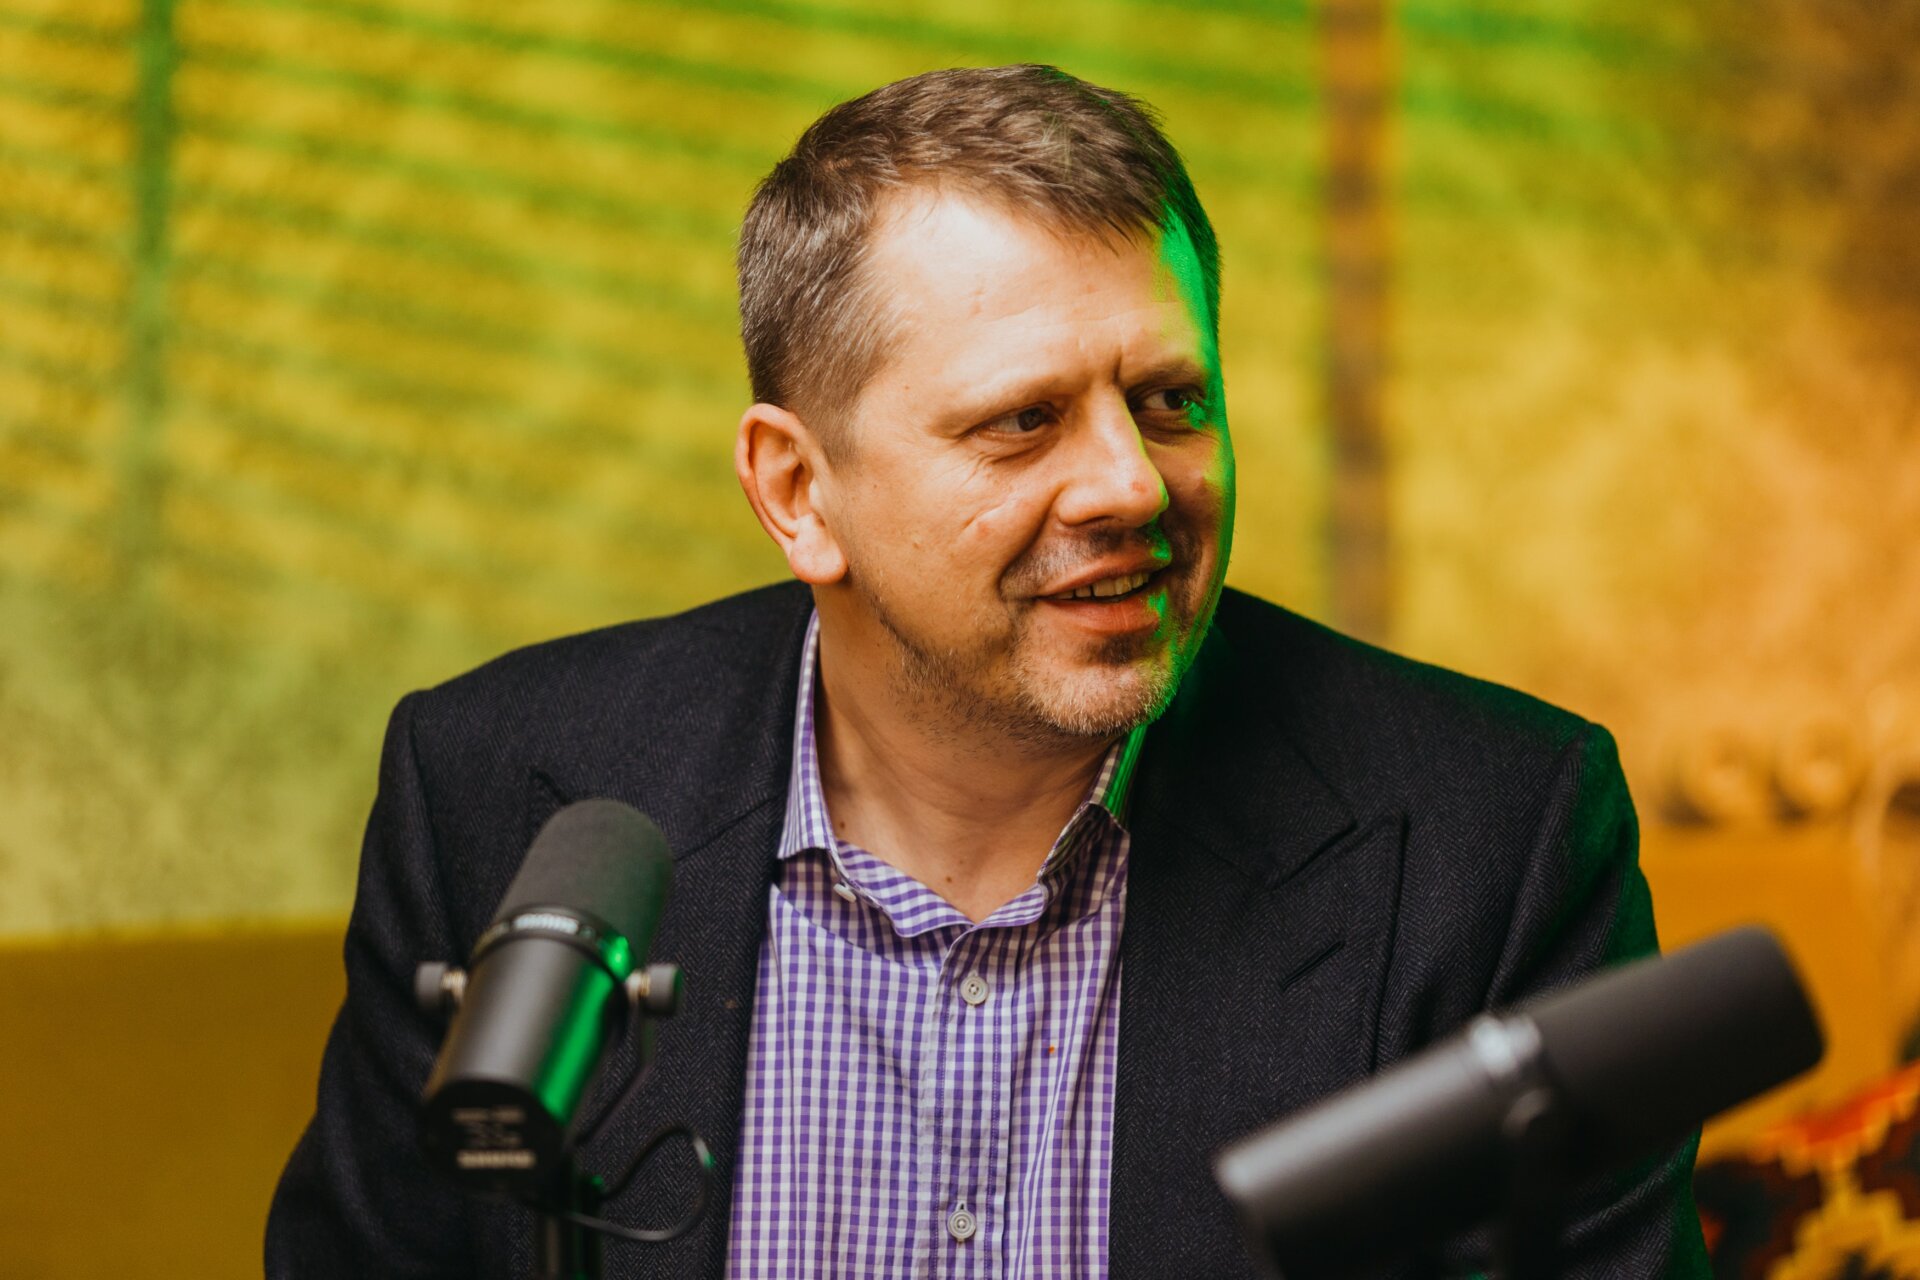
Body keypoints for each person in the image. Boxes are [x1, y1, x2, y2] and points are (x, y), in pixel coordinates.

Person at [268, 65, 1707, 1278]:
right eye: (1023, 421)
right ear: (798, 492)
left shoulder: (1491, 838)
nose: (1131, 486)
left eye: (1171, 401)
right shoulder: (502, 791)